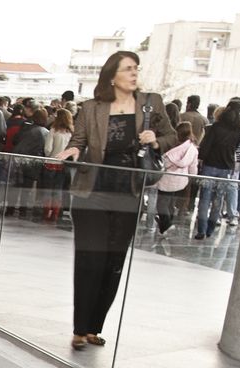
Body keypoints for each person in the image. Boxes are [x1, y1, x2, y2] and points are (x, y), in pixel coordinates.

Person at [58, 50, 175, 348]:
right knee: (89, 260)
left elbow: (172, 137)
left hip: (128, 193)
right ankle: (79, 329)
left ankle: (94, 327)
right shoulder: (91, 108)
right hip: (92, 191)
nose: (134, 73)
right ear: (112, 76)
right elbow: (78, 140)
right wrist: (73, 150)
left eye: (136, 68)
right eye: (127, 69)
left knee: (113, 261)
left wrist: (156, 141)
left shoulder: (151, 102)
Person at [192, 100, 240, 239]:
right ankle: (210, 228)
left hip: (210, 166)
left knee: (205, 198)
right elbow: (236, 148)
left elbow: (206, 145)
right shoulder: (239, 130)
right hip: (226, 167)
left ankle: (201, 230)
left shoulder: (216, 126)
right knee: (218, 199)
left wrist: (201, 159)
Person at [153, 120, 198, 241]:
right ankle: (164, 228)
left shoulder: (173, 149)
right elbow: (193, 166)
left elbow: (164, 164)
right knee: (170, 203)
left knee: (161, 203)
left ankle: (167, 225)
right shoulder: (192, 149)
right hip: (180, 180)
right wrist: (193, 177)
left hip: (167, 180)